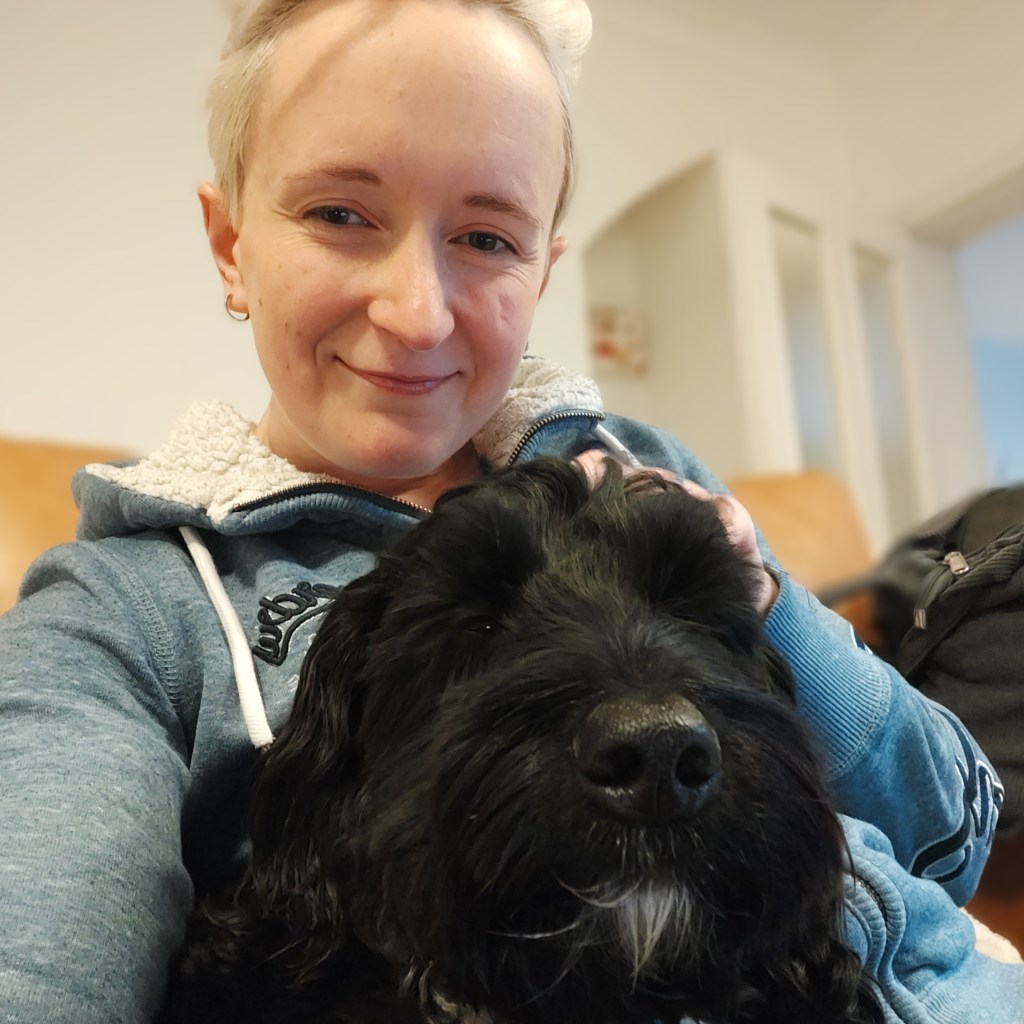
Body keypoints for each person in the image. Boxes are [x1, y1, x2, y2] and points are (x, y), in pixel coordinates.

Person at [0, 0, 1020, 1020]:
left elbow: (952, 835)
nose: (416, 312)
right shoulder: (122, 606)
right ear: (230, 244)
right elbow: (41, 953)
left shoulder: (649, 468)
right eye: (339, 214)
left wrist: (759, 595)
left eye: (486, 236)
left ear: (541, 273)